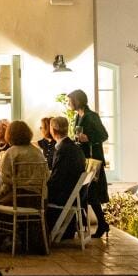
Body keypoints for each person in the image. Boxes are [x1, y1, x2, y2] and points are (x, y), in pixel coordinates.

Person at [67, 89, 110, 238]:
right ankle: (94, 224)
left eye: (70, 101)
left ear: (77, 101)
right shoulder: (78, 116)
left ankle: (101, 224)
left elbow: (104, 135)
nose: (68, 104)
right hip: (84, 159)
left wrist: (89, 138)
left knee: (92, 193)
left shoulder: (92, 116)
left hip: (93, 160)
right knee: (87, 193)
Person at [46, 116, 86, 238]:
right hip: (74, 194)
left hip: (64, 195)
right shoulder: (74, 147)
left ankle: (41, 235)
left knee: (33, 197)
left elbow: (57, 180)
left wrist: (42, 187)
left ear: (53, 130)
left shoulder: (63, 150)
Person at [0, 120, 48, 205]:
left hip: (18, 199)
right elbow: (46, 175)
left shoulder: (11, 152)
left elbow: (4, 177)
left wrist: (18, 183)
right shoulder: (38, 151)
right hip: (38, 199)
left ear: (10, 135)